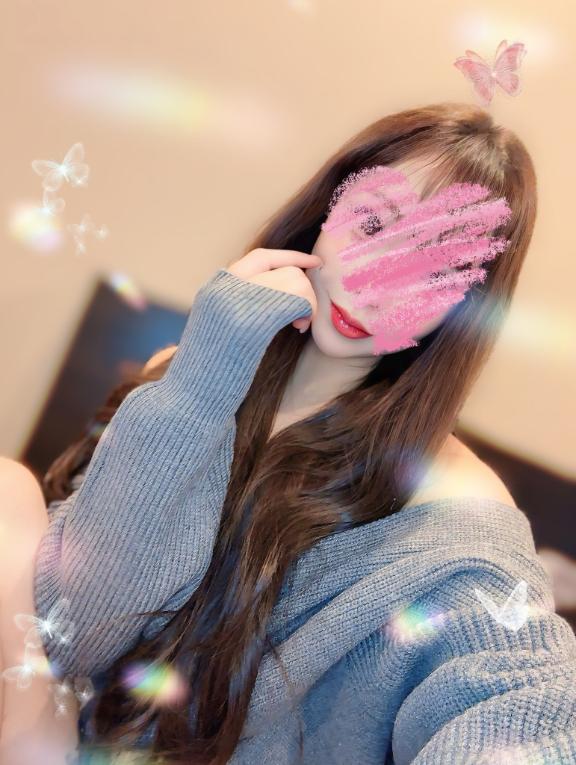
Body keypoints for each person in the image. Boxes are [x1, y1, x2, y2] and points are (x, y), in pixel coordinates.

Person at [2, 102, 575, 765]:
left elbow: (519, 695)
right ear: (325, 212)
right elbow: (73, 634)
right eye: (372, 224)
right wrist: (201, 376)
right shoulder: (190, 375)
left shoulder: (456, 514)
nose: (376, 283)